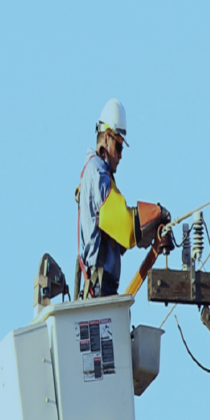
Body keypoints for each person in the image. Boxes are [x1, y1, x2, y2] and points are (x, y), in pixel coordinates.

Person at [76, 99, 170, 298]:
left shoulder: (99, 174)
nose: (120, 155)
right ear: (107, 138)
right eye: (119, 147)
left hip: (102, 288)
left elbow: (119, 239)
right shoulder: (98, 171)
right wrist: (156, 213)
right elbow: (126, 227)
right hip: (100, 288)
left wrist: (150, 230)